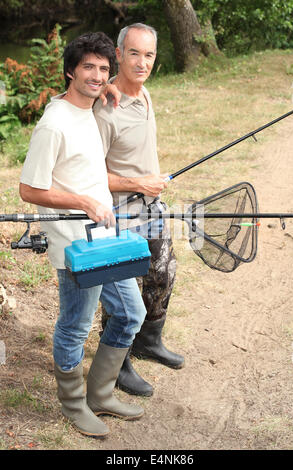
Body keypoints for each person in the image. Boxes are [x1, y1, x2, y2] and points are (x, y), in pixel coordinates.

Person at [19, 32, 147, 438]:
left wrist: (103, 86)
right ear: (69, 70)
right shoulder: (53, 125)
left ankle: (101, 392)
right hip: (74, 243)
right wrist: (84, 202)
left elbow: (95, 86)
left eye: (104, 69)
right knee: (76, 324)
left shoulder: (88, 106)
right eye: (88, 67)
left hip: (104, 235)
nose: (97, 76)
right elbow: (29, 189)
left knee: (131, 313)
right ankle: (73, 404)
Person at [93, 23, 184, 398]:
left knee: (163, 274)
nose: (142, 62)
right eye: (134, 53)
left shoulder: (145, 94)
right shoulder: (106, 108)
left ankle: (148, 341)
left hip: (151, 205)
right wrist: (137, 183)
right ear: (118, 54)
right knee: (123, 290)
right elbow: (92, 174)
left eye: (148, 55)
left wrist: (151, 180)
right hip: (119, 213)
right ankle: (119, 364)